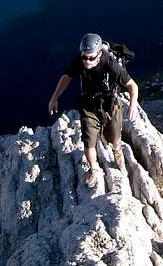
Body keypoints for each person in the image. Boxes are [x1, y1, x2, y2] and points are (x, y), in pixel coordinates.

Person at [47, 32, 139, 187]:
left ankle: (117, 151)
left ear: (100, 53)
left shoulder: (109, 63)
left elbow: (132, 85)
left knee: (115, 136)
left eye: (91, 57)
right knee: (89, 142)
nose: (87, 61)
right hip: (89, 105)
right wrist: (54, 98)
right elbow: (66, 77)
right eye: (84, 57)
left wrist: (133, 104)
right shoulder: (79, 62)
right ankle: (94, 169)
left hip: (110, 104)